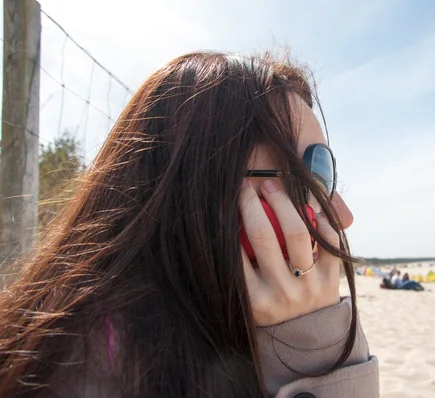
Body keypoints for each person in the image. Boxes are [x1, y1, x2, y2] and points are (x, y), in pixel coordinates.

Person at [0, 52, 378, 397]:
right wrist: (314, 347)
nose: (343, 216)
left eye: (324, 172)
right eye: (309, 175)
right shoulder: (87, 375)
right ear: (206, 188)